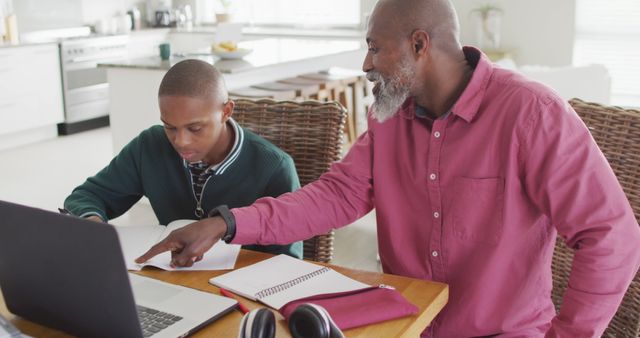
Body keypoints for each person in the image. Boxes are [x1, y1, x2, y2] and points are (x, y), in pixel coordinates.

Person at [137, 0, 640, 336]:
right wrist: (227, 223)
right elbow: (335, 195)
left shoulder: (531, 114)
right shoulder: (390, 119)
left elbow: (612, 237)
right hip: (407, 325)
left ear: (420, 45)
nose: (365, 64)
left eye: (375, 47)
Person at [64, 59, 302, 259]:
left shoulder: (275, 168)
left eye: (195, 128)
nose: (180, 141)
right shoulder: (150, 146)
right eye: (170, 127)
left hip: (240, 294)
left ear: (226, 111)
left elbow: (287, 263)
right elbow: (85, 196)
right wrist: (93, 224)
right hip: (170, 281)